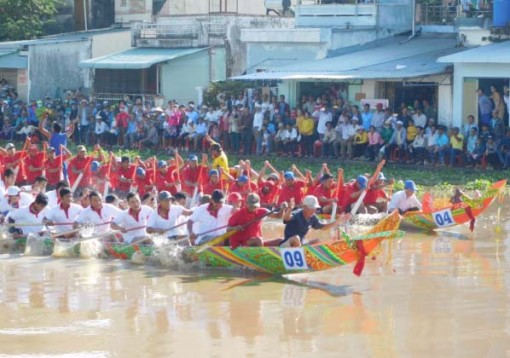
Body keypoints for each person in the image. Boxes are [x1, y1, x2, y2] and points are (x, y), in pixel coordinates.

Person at [280, 195, 345, 248]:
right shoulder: (297, 213)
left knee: (317, 241)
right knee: (296, 238)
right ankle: (302, 254)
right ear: (304, 207)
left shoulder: (312, 217)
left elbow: (324, 227)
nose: (313, 210)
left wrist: (337, 221)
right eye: (311, 208)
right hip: (288, 244)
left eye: (314, 208)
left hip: (300, 244)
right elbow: (286, 219)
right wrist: (290, 209)